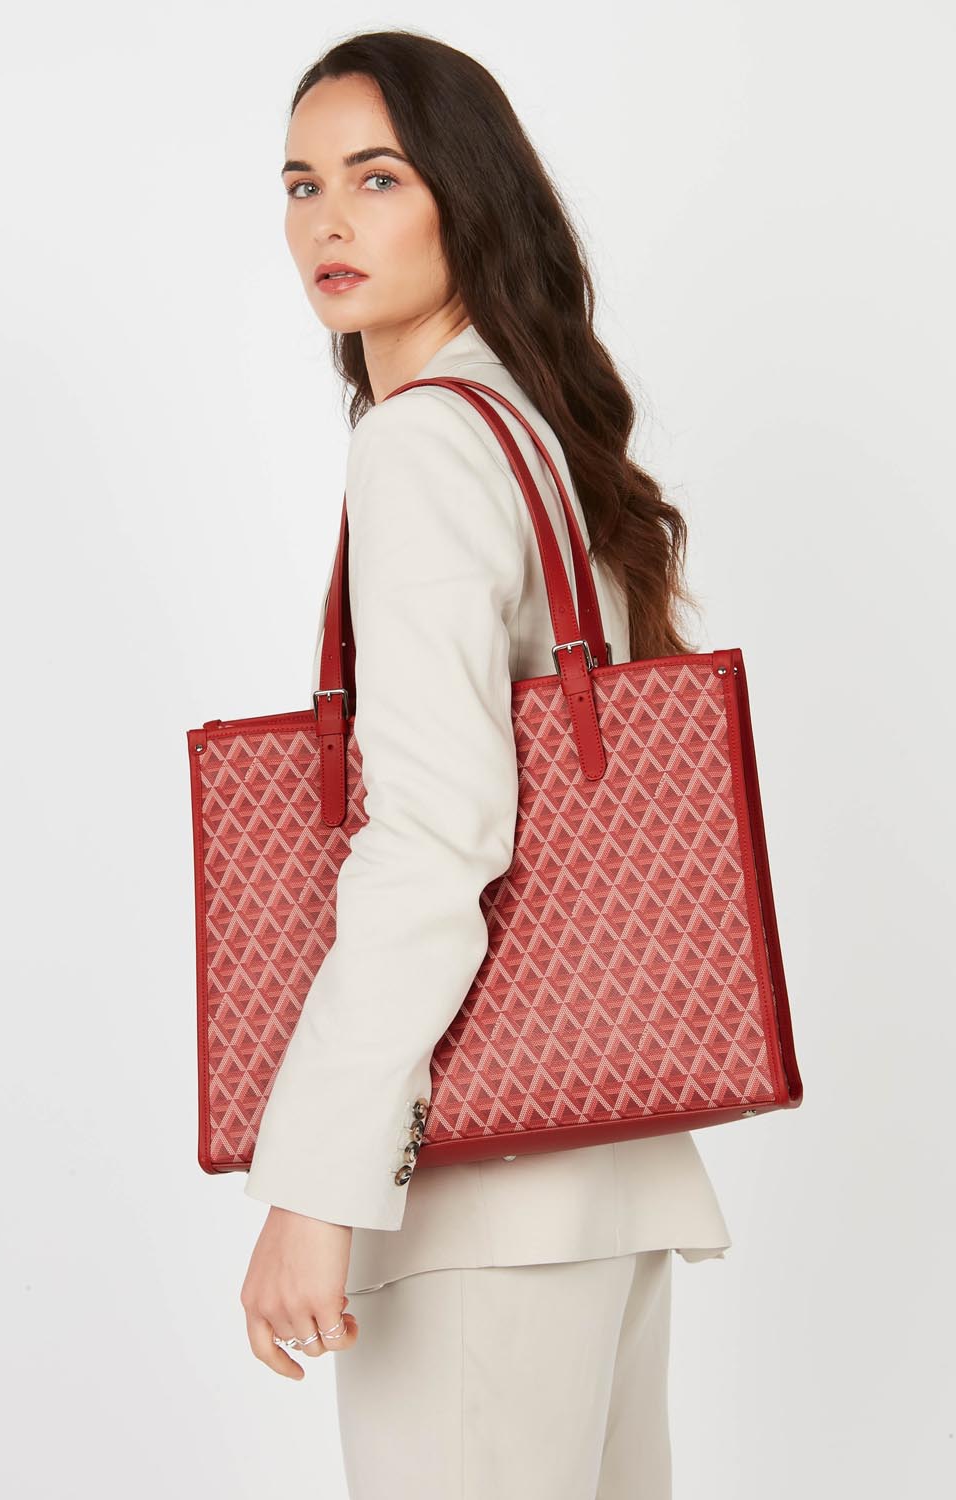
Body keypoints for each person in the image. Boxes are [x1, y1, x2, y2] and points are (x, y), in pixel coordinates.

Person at [238, 29, 732, 1500]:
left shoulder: (425, 447)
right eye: (302, 184)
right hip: (605, 1166)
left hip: (476, 1195)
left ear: (468, 196)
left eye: (377, 178)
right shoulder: (537, 434)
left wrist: (313, 1185)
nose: (328, 221)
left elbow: (437, 835)